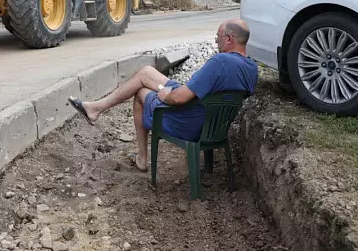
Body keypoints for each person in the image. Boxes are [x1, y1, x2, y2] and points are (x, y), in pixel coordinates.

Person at [67, 19, 258, 172]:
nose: (216, 43)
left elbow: (178, 99)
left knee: (141, 94)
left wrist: (166, 95)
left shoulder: (221, 62)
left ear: (229, 39)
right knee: (146, 73)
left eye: (218, 38)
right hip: (213, 125)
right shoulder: (251, 68)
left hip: (189, 124)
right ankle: (96, 107)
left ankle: (141, 158)